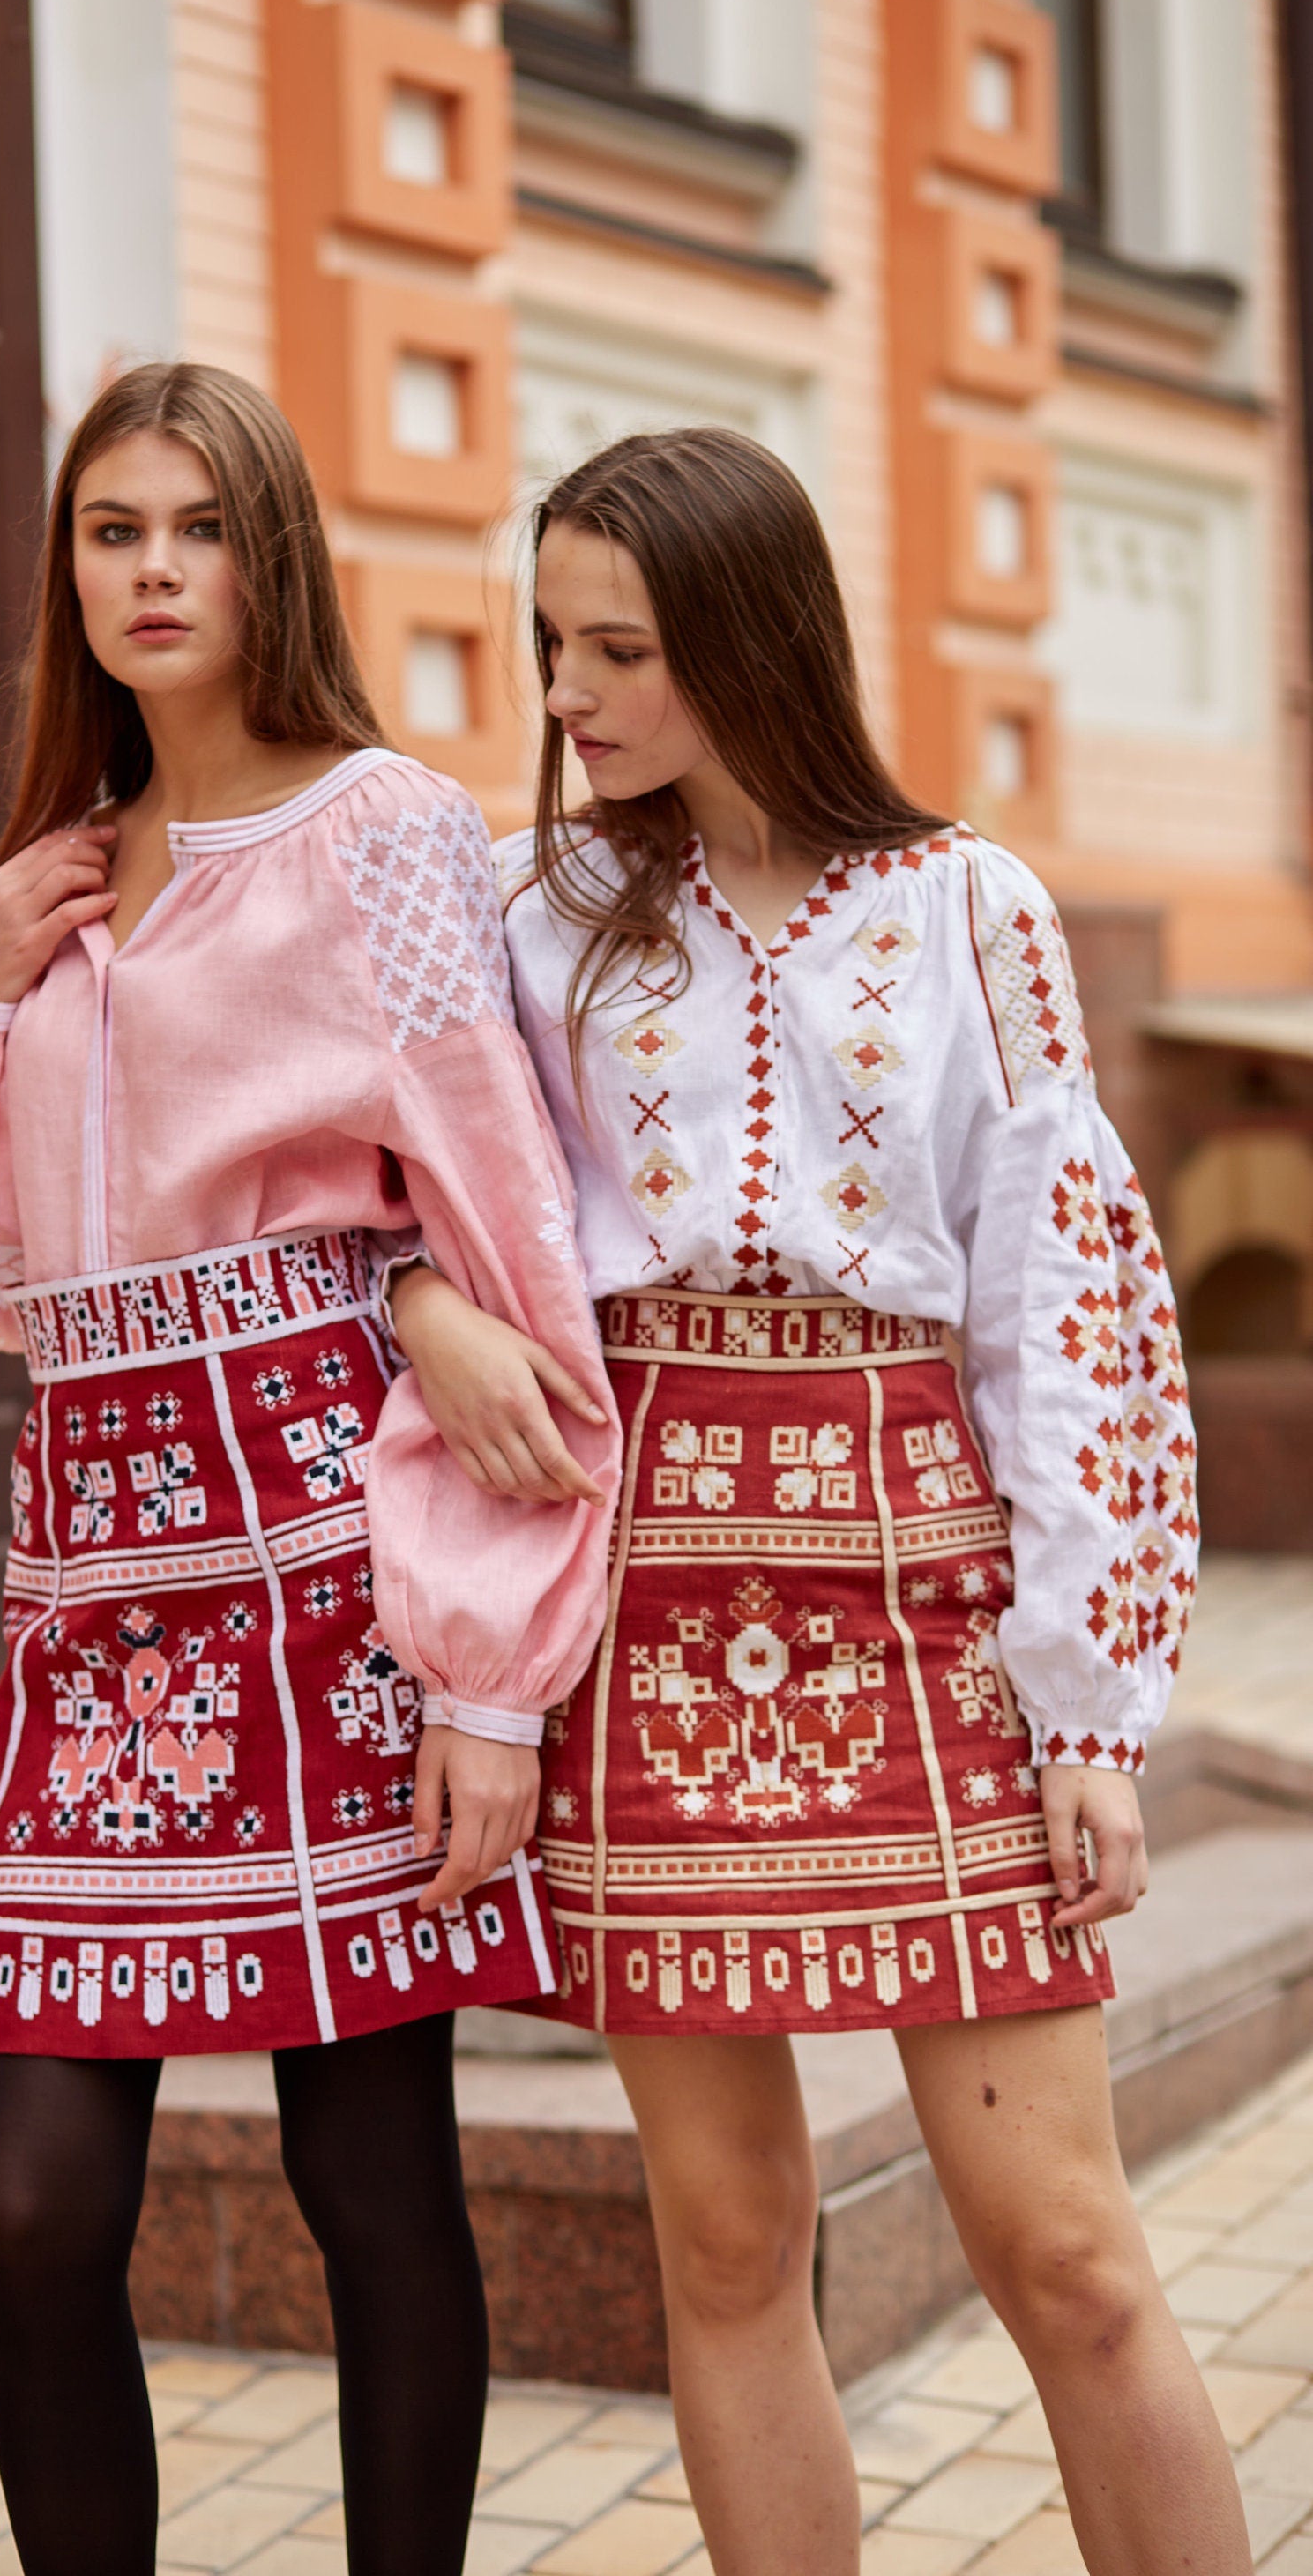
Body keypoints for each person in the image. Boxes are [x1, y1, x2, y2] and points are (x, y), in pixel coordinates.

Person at [387, 427, 1245, 2574]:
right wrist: (416, 1299)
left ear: (751, 642)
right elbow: (389, 1195)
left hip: (924, 1587)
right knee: (728, 2236)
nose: (567, 696)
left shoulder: (975, 910)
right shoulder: (528, 904)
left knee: (1064, 2250)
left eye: (621, 649)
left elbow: (1070, 1308)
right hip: (647, 1588)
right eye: (550, 644)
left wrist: (1091, 1706)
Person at [0, 361, 616, 2576]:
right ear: (64, 571)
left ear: (272, 562)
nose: (151, 573)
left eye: (196, 530)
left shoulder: (389, 833)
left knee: (371, 2179)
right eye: (108, 532)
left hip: (330, 1559)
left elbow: (503, 1231)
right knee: (36, 2203)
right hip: (95, 1585)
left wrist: (487, 1680)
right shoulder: (58, 877)